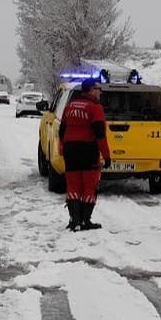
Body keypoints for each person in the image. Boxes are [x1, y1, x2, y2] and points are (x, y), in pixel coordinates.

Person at [58, 79, 111, 231]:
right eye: (98, 88)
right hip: (88, 150)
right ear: (90, 90)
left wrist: (62, 148)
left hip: (70, 150)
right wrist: (106, 156)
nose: (100, 91)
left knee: (73, 184)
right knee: (90, 185)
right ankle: (85, 220)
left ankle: (74, 220)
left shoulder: (69, 107)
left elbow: (62, 131)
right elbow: (100, 134)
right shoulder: (95, 108)